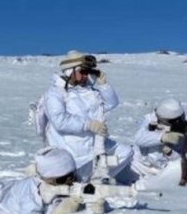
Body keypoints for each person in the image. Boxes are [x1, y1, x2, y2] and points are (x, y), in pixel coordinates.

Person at [42, 50, 133, 183]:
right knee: (77, 181)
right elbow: (59, 121)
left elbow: (111, 103)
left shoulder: (90, 92)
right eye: (83, 71)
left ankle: (95, 180)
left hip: (95, 145)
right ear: (70, 71)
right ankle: (88, 182)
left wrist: (103, 85)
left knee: (125, 152)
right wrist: (88, 124)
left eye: (88, 72)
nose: (86, 76)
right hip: (73, 150)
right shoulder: (55, 93)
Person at [132, 98, 187, 178]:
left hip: (161, 172)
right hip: (137, 167)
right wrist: (163, 137)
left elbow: (179, 158)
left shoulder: (179, 130)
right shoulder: (149, 120)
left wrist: (170, 153)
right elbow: (139, 139)